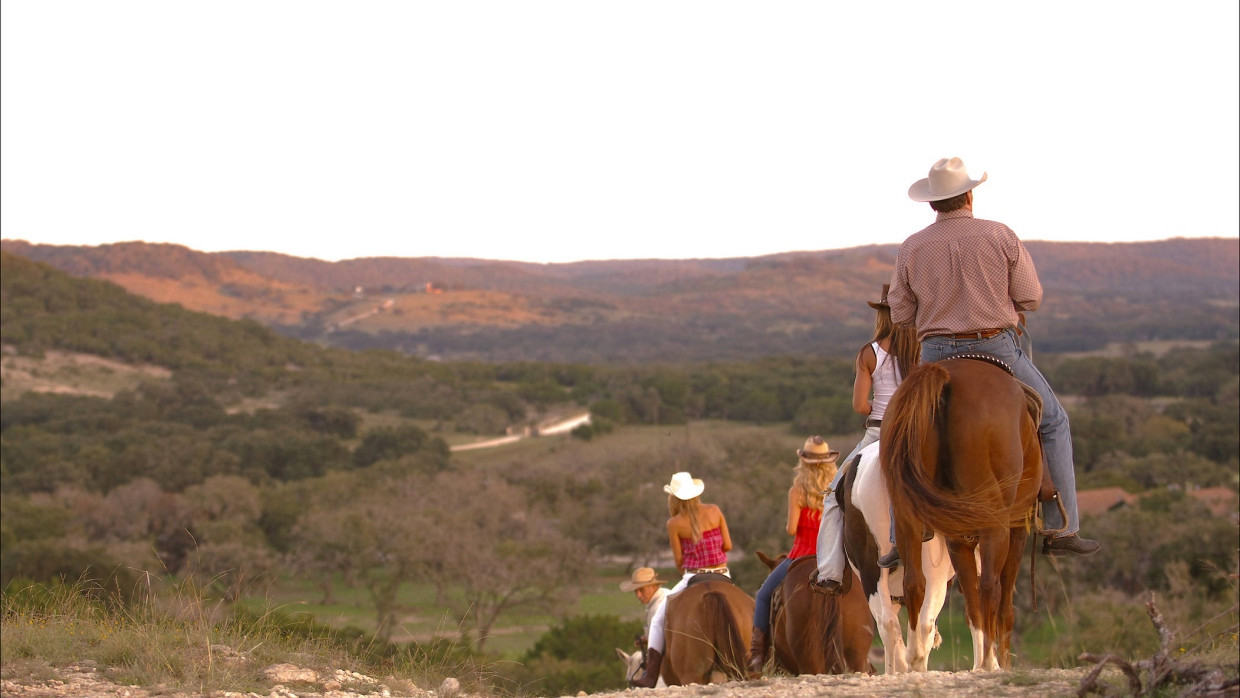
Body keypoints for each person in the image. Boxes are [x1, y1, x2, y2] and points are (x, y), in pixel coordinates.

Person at [884, 156, 1100, 559]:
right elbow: (1031, 298)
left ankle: (901, 536)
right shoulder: (1000, 235)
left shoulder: (912, 247)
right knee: (1054, 421)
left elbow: (900, 313)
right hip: (994, 347)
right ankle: (1062, 527)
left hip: (934, 354)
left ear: (932, 203)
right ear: (969, 195)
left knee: (902, 430)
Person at [812, 285, 919, 593]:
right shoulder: (924, 347)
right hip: (914, 432)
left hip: (879, 432)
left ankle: (830, 573)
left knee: (834, 497)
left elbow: (860, 406)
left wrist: (878, 404)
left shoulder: (870, 353)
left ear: (882, 315)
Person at [746, 436, 839, 678]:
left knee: (763, 596)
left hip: (800, 556)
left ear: (803, 462)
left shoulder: (797, 491)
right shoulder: (836, 488)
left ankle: (757, 655)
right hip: (832, 556)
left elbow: (791, 529)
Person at [630, 471, 733, 688]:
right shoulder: (714, 510)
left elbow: (679, 561)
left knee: (658, 621)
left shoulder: (674, 523)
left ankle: (650, 675)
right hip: (723, 573)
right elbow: (728, 545)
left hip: (693, 576)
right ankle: (757, 659)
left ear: (674, 498)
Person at [618, 567, 669, 651]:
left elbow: (659, 646)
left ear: (653, 586)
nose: (638, 595)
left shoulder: (656, 609)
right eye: (636, 591)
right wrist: (647, 639)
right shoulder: (665, 593)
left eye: (642, 590)